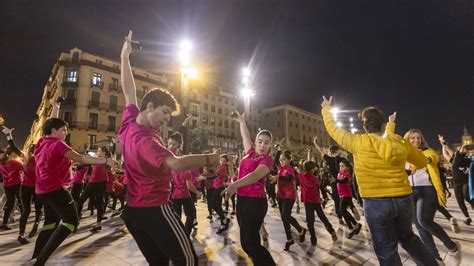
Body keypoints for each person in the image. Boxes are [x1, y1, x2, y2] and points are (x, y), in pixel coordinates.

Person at [119, 31, 221, 265]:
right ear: (150, 106)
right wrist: (209, 157)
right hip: (155, 208)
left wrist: (125, 57)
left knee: (159, 262)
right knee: (187, 260)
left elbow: (128, 90)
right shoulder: (147, 140)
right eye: (165, 112)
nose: (167, 119)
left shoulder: (129, 121)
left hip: (133, 212)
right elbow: (175, 163)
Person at [321, 96, 437, 266]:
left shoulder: (357, 142)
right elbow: (420, 162)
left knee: (386, 250)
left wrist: (326, 109)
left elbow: (333, 129)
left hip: (375, 202)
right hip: (403, 199)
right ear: (383, 125)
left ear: (364, 127)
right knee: (408, 238)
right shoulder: (399, 141)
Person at [28, 113, 117, 265]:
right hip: (55, 189)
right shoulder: (58, 144)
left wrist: (56, 108)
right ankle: (40, 261)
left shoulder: (42, 142)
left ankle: (35, 258)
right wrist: (106, 160)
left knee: (50, 222)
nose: (66, 132)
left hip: (42, 190)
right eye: (63, 129)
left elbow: (49, 126)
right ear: (54, 131)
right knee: (71, 221)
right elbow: (81, 158)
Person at [222, 111, 276, 265]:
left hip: (255, 202)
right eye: (260, 141)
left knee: (248, 244)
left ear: (270, 144)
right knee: (252, 240)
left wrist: (235, 184)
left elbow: (255, 175)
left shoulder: (268, 160)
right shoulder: (250, 153)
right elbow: (245, 136)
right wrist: (241, 122)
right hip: (243, 200)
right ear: (256, 141)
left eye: (266, 142)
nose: (262, 145)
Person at [401, 128, 461, 264]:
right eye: (413, 138)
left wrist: (424, 160)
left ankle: (452, 247)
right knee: (420, 227)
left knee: (423, 220)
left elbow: (432, 159)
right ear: (407, 139)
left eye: (418, 138)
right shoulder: (403, 154)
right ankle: (435, 259)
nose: (416, 140)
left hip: (426, 190)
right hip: (409, 192)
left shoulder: (428, 151)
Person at [296, 160, 337, 246]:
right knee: (322, 216)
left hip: (307, 201)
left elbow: (297, 172)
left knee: (310, 220)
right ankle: (331, 230)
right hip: (315, 201)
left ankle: (313, 238)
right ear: (312, 169)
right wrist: (325, 197)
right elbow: (320, 186)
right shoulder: (315, 179)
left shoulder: (301, 176)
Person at [168, 132, 202, 235]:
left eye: (173, 145)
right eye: (169, 144)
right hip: (183, 194)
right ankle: (185, 234)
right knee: (190, 215)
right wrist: (197, 192)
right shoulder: (184, 169)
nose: (170, 147)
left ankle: (180, 234)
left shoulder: (175, 163)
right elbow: (189, 186)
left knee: (177, 216)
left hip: (175, 195)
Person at [272, 149, 306, 251]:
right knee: (284, 218)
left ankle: (301, 229)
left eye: (284, 160)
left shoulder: (290, 169)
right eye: (280, 160)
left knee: (286, 215)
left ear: (289, 160)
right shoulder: (280, 168)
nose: (281, 161)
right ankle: (289, 239)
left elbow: (287, 178)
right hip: (280, 195)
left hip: (289, 195)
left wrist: (278, 177)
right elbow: (275, 164)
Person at [76, 146, 113, 232]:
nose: (98, 152)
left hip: (95, 183)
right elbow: (83, 164)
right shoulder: (101, 160)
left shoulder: (104, 160)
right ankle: (97, 224)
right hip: (101, 183)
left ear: (103, 152)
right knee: (98, 204)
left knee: (81, 201)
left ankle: (76, 222)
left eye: (99, 150)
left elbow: (114, 163)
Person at [439, 135, 474, 225]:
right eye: (461, 147)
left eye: (464, 147)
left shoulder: (468, 160)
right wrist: (443, 143)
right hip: (456, 184)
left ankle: (472, 203)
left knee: (467, 196)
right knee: (460, 201)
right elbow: (445, 153)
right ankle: (467, 217)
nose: (463, 147)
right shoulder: (454, 159)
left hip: (466, 182)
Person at [337, 160, 362, 239]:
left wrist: (336, 180)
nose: (341, 168)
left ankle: (352, 227)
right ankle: (356, 225)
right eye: (340, 166)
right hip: (341, 195)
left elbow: (344, 181)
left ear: (347, 167)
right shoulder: (339, 174)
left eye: (343, 166)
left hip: (347, 195)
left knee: (341, 210)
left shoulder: (347, 175)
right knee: (343, 211)